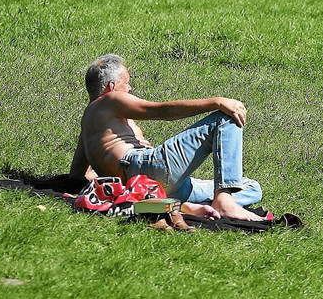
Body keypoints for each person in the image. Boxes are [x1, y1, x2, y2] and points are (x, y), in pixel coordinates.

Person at [69, 54, 266, 222]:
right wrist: (217, 102)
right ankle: (223, 201)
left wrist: (112, 180)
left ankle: (185, 206)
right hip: (147, 167)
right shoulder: (110, 99)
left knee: (251, 187)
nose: (129, 89)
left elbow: (78, 175)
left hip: (146, 189)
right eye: (126, 83)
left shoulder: (89, 123)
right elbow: (164, 111)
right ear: (111, 86)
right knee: (225, 118)